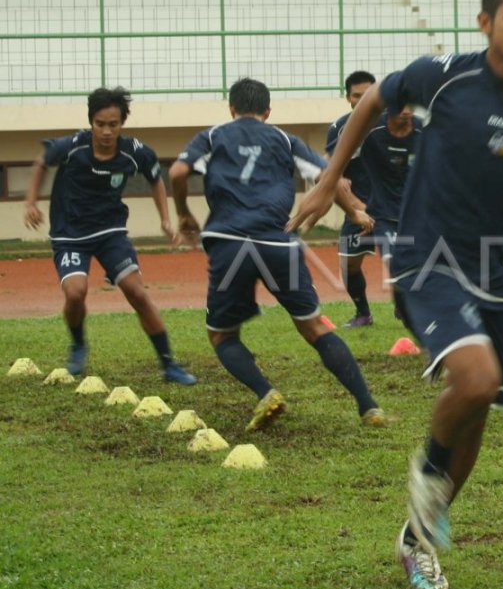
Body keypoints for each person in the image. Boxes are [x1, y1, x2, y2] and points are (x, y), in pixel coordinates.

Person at [288, 0, 503, 589]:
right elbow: (374, 100)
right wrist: (329, 179)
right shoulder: (445, 76)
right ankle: (428, 474)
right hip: (426, 256)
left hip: (501, 271)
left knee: (479, 407)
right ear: (486, 22)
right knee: (476, 379)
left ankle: (419, 536)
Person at [169, 77, 388, 432]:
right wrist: (354, 212)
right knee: (314, 327)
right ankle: (369, 406)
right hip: (278, 243)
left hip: (230, 243)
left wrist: (183, 214)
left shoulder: (212, 136)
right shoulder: (286, 140)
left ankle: (266, 392)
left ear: (231, 108)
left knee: (222, 335)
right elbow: (330, 176)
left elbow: (178, 171)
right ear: (268, 111)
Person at [23, 87, 197, 385]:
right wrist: (30, 202)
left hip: (110, 232)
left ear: (121, 124)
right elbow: (42, 161)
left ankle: (169, 364)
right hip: (70, 234)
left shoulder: (135, 152)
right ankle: (78, 345)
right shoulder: (73, 146)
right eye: (100, 124)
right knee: (75, 293)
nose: (106, 131)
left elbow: (156, 179)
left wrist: (166, 220)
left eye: (113, 124)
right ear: (91, 122)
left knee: (137, 292)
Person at [352, 105, 422, 329]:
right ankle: (400, 305)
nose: (406, 110)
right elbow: (337, 159)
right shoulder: (371, 130)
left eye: (410, 104)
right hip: (382, 214)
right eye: (401, 105)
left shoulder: (423, 130)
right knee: (394, 262)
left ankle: (405, 304)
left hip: (415, 214)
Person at [327, 70, 378, 328]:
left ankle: (405, 307)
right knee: (348, 264)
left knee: (406, 261)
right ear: (348, 98)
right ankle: (363, 313)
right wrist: (356, 207)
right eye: (357, 95)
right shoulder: (339, 129)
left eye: (368, 94)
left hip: (397, 207)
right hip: (358, 207)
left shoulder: (395, 122)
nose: (362, 100)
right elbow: (332, 174)